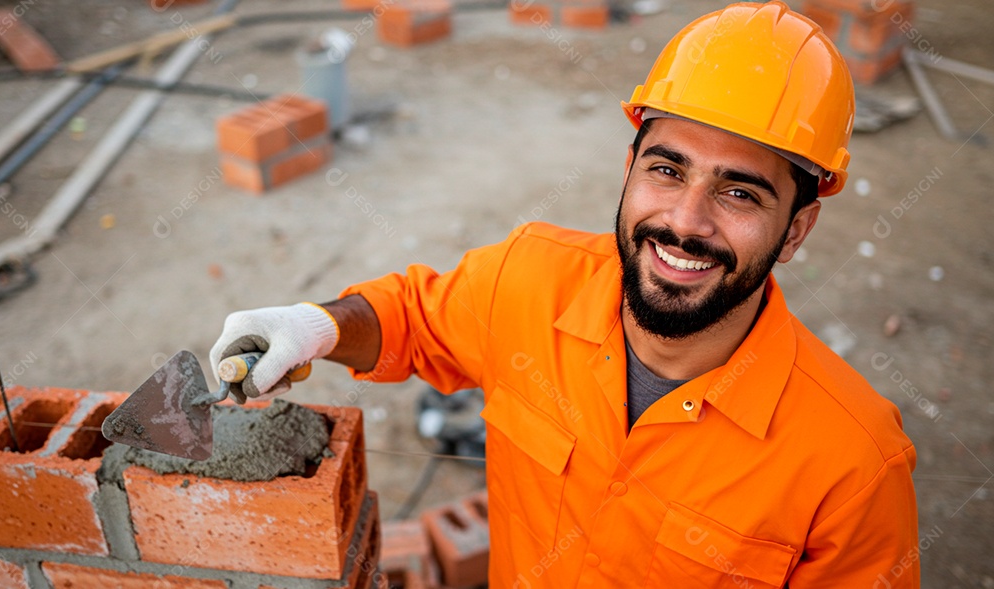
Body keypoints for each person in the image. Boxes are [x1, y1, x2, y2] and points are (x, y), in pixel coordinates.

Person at [209, 1, 920, 586]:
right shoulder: (530, 278)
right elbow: (412, 316)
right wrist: (317, 326)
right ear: (630, 166)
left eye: (739, 193)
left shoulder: (853, 464)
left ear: (796, 229)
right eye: (667, 170)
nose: (685, 222)